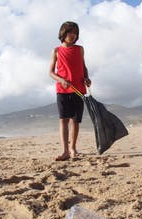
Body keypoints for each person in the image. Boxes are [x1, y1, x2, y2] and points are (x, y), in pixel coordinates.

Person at [49, 21, 91, 161]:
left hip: (78, 89)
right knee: (63, 120)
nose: (72, 35)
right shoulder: (56, 51)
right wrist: (61, 80)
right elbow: (50, 72)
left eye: (75, 33)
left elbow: (83, 67)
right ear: (63, 33)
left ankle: (73, 148)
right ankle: (65, 151)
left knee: (76, 121)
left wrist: (87, 78)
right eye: (69, 32)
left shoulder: (80, 49)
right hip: (62, 90)